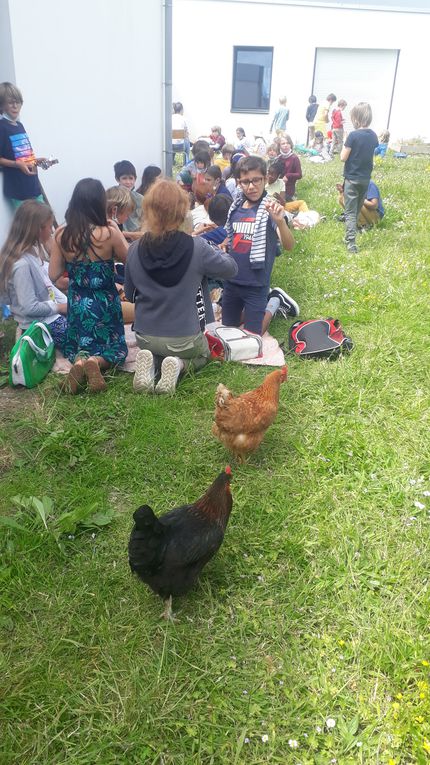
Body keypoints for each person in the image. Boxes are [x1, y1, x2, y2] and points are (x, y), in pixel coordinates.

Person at [124, 179, 237, 395]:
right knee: (202, 355)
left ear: (148, 210)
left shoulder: (134, 249)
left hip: (145, 337)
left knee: (156, 349)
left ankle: (152, 363)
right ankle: (179, 365)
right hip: (185, 339)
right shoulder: (197, 247)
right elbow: (231, 269)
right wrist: (217, 249)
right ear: (182, 211)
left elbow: (129, 295)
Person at [49, 178, 128, 393]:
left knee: (77, 346)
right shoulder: (109, 232)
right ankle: (96, 362)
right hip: (105, 302)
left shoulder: (61, 235)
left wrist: (73, 282)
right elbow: (129, 259)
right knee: (116, 350)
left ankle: (79, 363)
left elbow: (54, 274)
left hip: (78, 302)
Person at [222, 155, 297, 337]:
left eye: (256, 180)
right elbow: (231, 238)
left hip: (256, 285)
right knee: (227, 332)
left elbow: (289, 246)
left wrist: (280, 223)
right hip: (231, 283)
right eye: (245, 182)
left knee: (252, 337)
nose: (251, 186)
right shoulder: (236, 207)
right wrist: (225, 245)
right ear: (239, 183)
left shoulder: (270, 209)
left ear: (265, 179)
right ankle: (251, 311)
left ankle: (273, 303)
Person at [0, 200, 67, 347]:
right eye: (49, 227)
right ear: (37, 229)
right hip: (40, 325)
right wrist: (59, 307)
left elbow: (48, 286)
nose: (51, 231)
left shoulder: (33, 250)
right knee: (86, 337)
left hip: (48, 316)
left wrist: (65, 303)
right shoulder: (22, 265)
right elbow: (29, 307)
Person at [0, 82, 46, 209]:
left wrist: (35, 161)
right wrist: (17, 164)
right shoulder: (2, 127)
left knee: (43, 222)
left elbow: (24, 156)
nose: (15, 106)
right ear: (2, 106)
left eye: (18, 102)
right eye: (10, 103)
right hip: (18, 191)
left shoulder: (20, 126)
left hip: (33, 186)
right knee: (28, 228)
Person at [340, 102, 378, 253]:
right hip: (365, 180)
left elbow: (343, 157)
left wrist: (345, 141)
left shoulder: (353, 135)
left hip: (352, 179)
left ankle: (351, 242)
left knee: (349, 212)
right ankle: (349, 236)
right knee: (355, 210)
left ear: (356, 118)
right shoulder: (373, 135)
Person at [113, 160, 143, 236]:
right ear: (117, 179)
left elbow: (144, 220)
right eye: (124, 178)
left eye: (131, 178)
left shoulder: (140, 198)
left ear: (135, 179)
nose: (128, 182)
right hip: (117, 236)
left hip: (138, 237)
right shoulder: (112, 197)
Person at [276, 135, 303, 201]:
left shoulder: (294, 158)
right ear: (279, 146)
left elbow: (299, 175)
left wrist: (288, 175)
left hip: (288, 190)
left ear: (290, 145)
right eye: (283, 143)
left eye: (288, 143)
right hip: (278, 187)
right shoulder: (278, 158)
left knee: (277, 201)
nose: (286, 145)